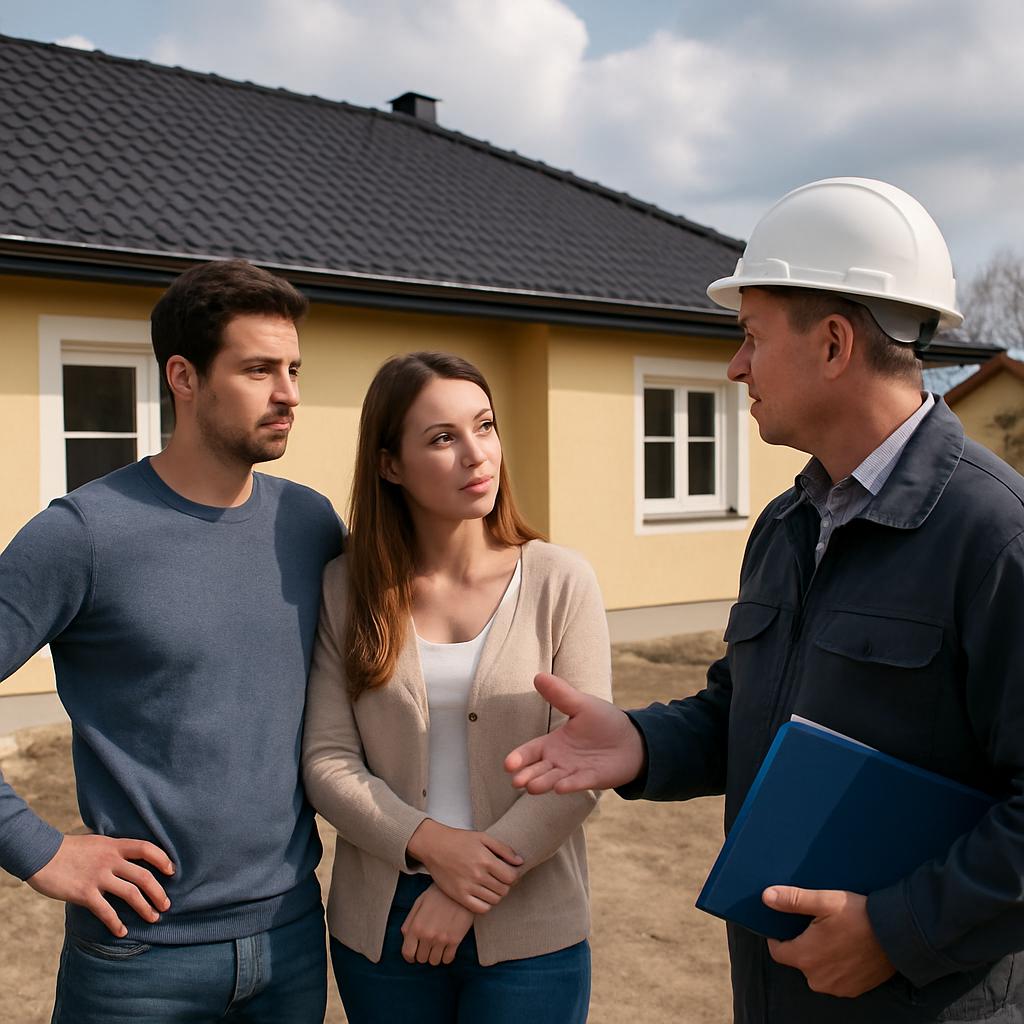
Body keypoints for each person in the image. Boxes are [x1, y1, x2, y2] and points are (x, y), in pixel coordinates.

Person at [506, 177, 1024, 1022]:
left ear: (832, 344)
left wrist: (897, 930)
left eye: (750, 337)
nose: (734, 365)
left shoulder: (996, 537)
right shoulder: (789, 522)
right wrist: (636, 742)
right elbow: (746, 711)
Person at [0, 259, 344, 1022]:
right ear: (183, 378)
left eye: (292, 369)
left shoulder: (310, 524)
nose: (288, 393)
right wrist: (39, 849)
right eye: (258, 369)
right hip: (138, 959)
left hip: (291, 937)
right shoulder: (82, 535)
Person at [302, 351, 611, 1024]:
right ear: (390, 465)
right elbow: (327, 761)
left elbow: (585, 765)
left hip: (531, 928)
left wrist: (469, 888)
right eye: (442, 438)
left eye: (485, 426)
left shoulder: (561, 581)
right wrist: (435, 847)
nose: (477, 454)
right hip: (383, 926)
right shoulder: (344, 589)